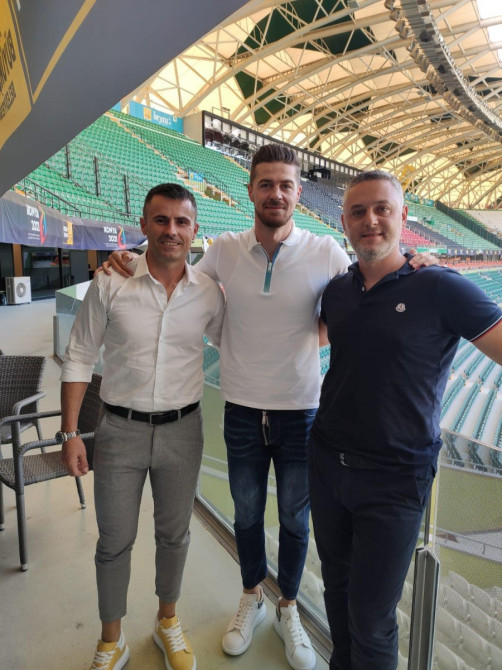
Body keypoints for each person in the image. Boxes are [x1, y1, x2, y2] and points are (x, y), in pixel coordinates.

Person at [101, 145, 434, 670]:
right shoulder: (224, 249)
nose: (275, 193)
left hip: (302, 413)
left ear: (298, 193)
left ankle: (288, 607)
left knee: (297, 520)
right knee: (248, 513)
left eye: (285, 185)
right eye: (266, 184)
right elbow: (177, 274)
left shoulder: (326, 251)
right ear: (251, 190)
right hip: (240, 411)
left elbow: (364, 292)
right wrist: (127, 258)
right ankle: (252, 595)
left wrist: (418, 263)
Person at [308, 170, 502, 670]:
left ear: (403, 217)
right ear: (344, 222)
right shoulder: (338, 290)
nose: (370, 221)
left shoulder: (440, 286)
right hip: (327, 464)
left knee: (372, 618)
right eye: (358, 212)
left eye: (382, 209)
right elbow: (322, 338)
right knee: (336, 592)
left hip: (395, 479)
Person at [60, 183, 225, 670]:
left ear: (195, 230)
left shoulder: (208, 293)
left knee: (174, 535)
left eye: (181, 222)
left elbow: (237, 343)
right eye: (161, 220)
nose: (171, 230)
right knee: (113, 541)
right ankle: (112, 640)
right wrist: (70, 433)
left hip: (183, 431)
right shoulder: (111, 282)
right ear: (144, 225)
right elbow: (79, 356)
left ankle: (166, 620)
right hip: (119, 430)